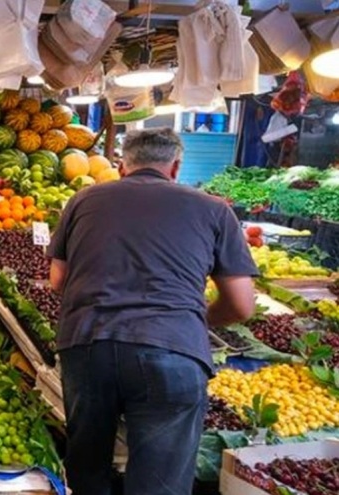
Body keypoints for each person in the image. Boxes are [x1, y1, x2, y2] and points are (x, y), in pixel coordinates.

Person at [48, 128, 257, 495]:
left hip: (88, 344)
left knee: (88, 466)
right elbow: (242, 304)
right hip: (173, 352)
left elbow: (57, 280)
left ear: (121, 166)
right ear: (175, 167)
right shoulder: (213, 209)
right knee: (159, 482)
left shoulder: (83, 200)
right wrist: (191, 318)